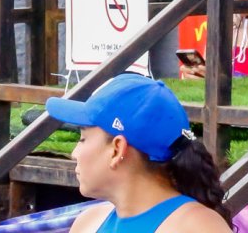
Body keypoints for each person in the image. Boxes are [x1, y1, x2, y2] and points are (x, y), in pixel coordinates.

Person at [48, 72, 232, 233]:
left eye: (83, 139)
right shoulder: (88, 222)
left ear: (116, 149)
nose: (74, 153)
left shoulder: (197, 227)